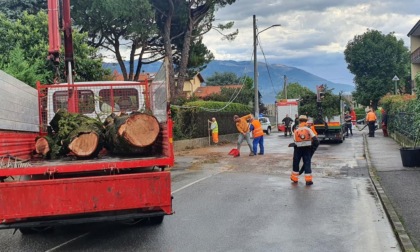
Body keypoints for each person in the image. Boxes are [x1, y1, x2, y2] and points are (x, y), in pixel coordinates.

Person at [290, 115, 319, 185]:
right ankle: (308, 180)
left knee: (296, 163)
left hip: (298, 148)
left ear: (299, 121)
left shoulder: (296, 129)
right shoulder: (309, 128)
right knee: (307, 163)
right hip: (307, 148)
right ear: (306, 121)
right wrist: (313, 147)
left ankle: (294, 178)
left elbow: (294, 139)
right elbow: (315, 138)